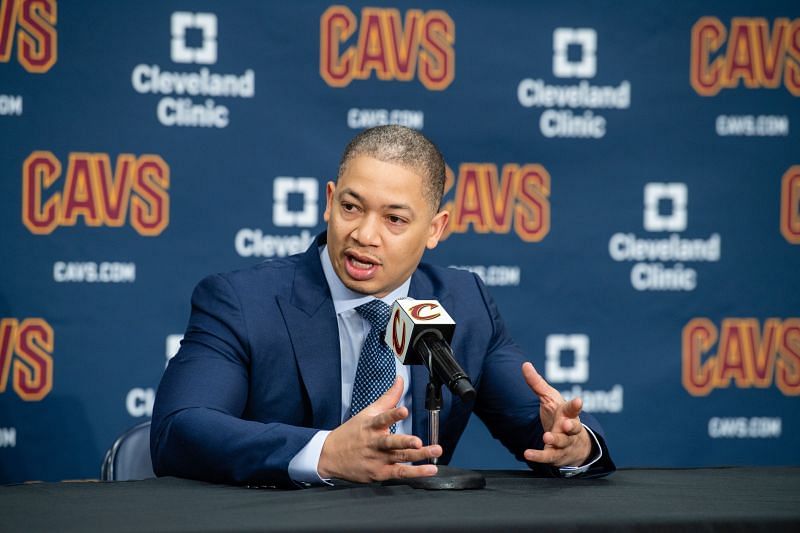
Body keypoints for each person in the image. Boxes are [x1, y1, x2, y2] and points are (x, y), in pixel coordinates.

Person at [151, 125, 615, 487]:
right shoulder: (243, 302)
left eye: (394, 219)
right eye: (352, 208)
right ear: (330, 203)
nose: (365, 235)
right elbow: (180, 430)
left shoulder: (463, 302)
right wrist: (325, 453)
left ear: (435, 229)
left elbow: (542, 431)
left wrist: (573, 447)